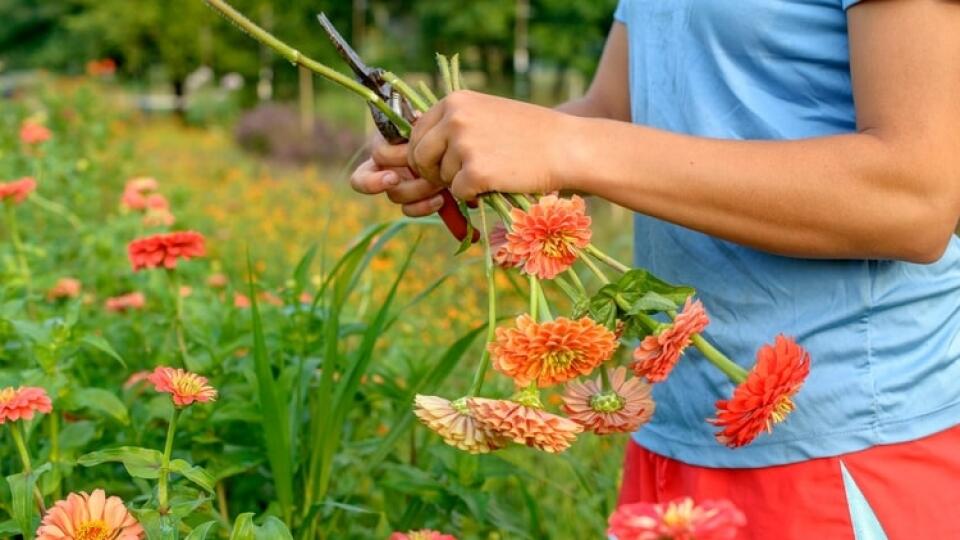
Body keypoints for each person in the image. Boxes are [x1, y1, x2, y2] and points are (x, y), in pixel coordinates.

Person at [350, 1, 960, 537]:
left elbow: (918, 199)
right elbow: (613, 111)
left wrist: (568, 145)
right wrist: (468, 160)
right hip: (671, 434)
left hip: (843, 447)